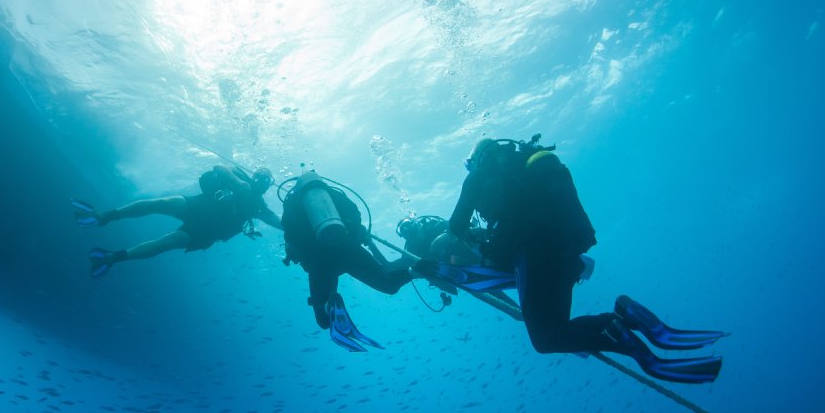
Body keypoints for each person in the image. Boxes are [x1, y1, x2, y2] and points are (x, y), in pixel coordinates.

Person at [417, 135, 728, 384]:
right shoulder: (530, 167)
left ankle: (621, 331)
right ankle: (625, 315)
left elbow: (456, 225)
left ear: (478, 160)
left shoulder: (481, 175)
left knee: (545, 339)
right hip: (566, 251)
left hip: (532, 253)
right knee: (557, 328)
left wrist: (478, 241)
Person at [281, 172, 413, 351]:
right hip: (348, 249)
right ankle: (417, 271)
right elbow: (356, 215)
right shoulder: (335, 194)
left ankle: (330, 303)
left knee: (323, 320)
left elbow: (290, 236)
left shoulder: (292, 204)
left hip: (319, 261)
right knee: (389, 285)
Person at [72, 165, 281, 278]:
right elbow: (219, 167)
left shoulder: (259, 207)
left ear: (269, 185)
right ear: (254, 175)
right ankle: (104, 216)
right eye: (260, 175)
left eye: (266, 179)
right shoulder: (238, 176)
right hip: (198, 206)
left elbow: (279, 222)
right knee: (158, 203)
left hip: (205, 232)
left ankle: (111, 258)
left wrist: (299, 219)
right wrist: (237, 182)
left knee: (164, 243)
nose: (261, 179)